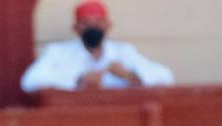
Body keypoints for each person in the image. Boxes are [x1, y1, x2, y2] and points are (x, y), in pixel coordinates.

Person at [20, 1, 173, 93]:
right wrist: (78, 80)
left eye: (98, 22)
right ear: (75, 28)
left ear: (108, 25)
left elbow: (166, 76)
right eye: (86, 23)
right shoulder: (58, 52)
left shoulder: (124, 52)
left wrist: (130, 76)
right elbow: (30, 81)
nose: (93, 27)